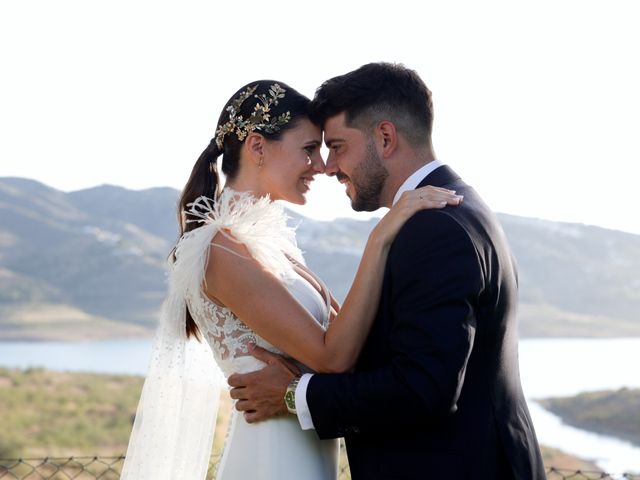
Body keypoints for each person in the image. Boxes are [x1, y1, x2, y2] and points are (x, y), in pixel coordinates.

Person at [120, 79, 462, 480]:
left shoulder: (268, 246)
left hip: (304, 452)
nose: (320, 166)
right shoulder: (220, 250)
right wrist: (381, 237)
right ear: (258, 147)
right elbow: (331, 357)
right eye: (308, 149)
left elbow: (347, 338)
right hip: (273, 460)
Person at [228, 63, 546, 480]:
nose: (327, 167)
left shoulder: (436, 227)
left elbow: (423, 390)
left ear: (385, 137)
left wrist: (293, 394)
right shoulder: (446, 209)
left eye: (337, 146)